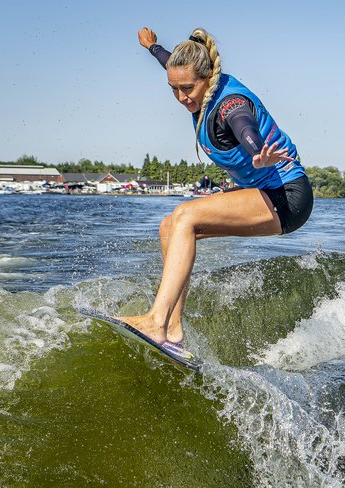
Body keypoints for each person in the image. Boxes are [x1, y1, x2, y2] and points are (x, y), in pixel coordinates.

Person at [119, 27, 313, 349]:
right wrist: (153, 47)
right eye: (174, 89)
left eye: (187, 88)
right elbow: (172, 63)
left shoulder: (229, 105)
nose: (182, 97)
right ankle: (173, 329)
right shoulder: (194, 81)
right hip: (263, 191)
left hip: (287, 196)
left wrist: (258, 153)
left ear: (207, 79)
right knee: (170, 227)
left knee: (185, 215)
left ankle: (156, 321)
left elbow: (245, 127)